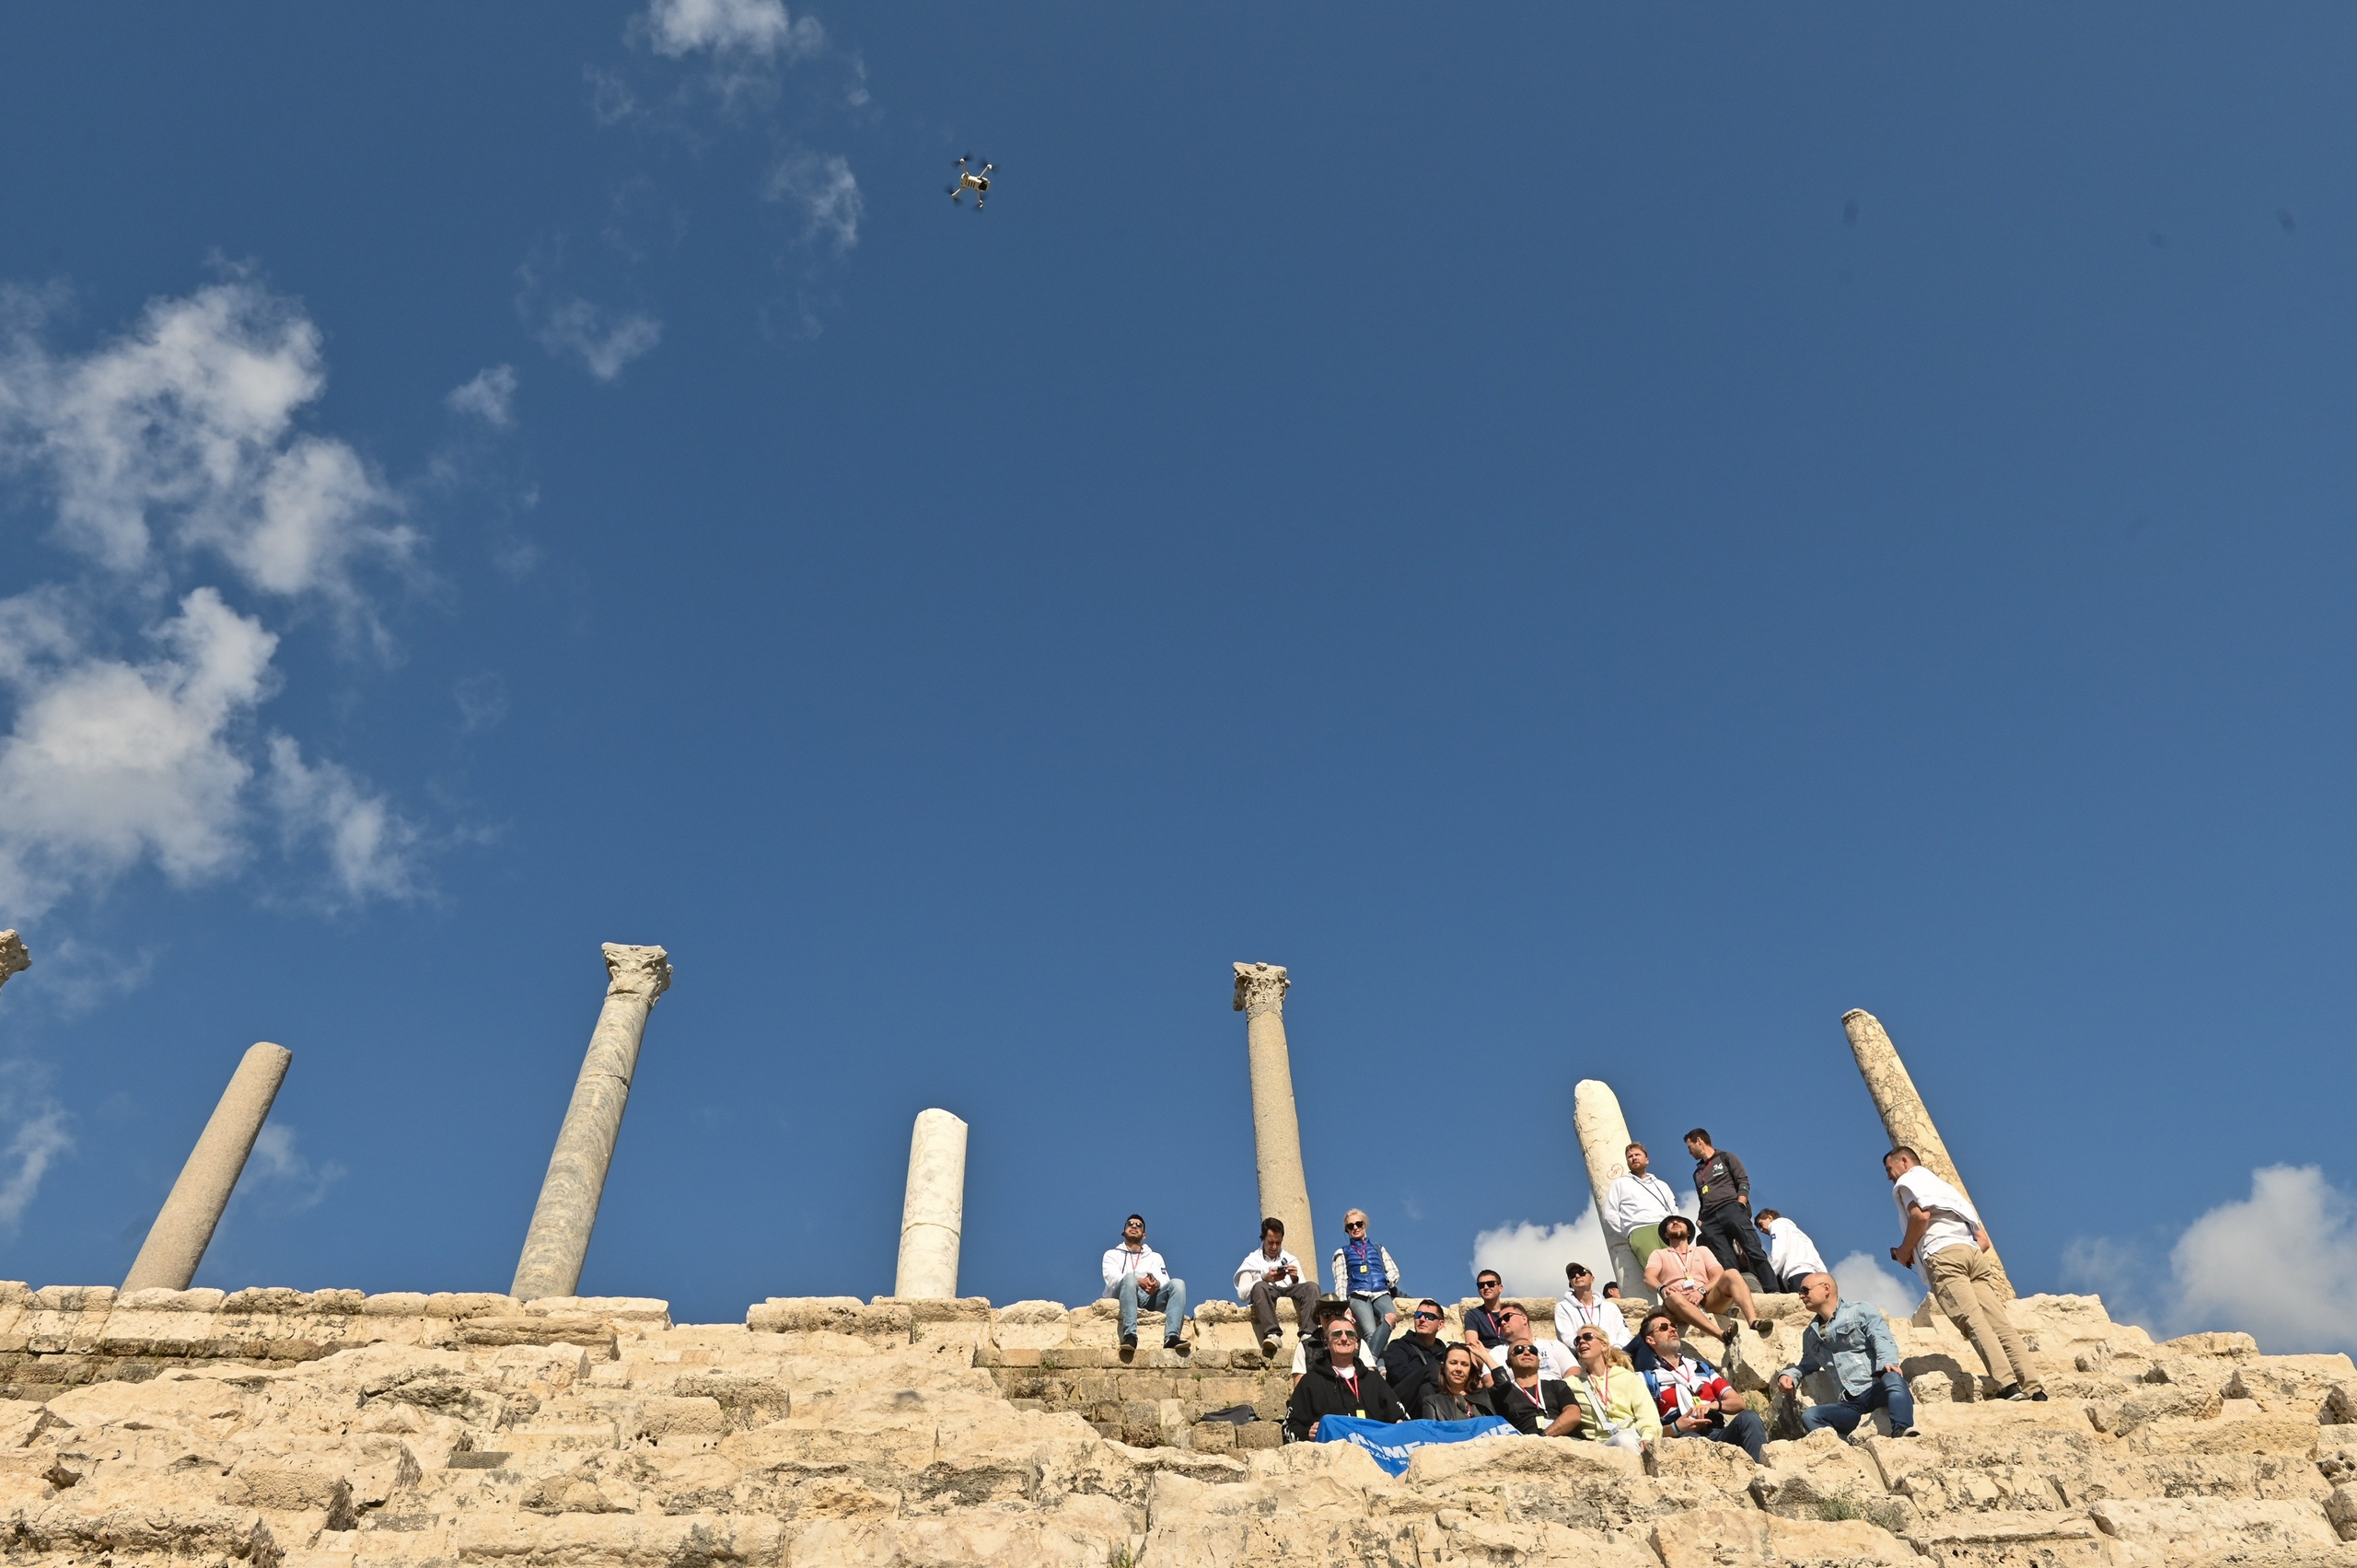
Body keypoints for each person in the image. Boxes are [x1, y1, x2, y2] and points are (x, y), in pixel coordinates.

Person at [1886, 1147, 2044, 1401]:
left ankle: (2008, 1385)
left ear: (1904, 1161)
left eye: (1889, 1169)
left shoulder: (1908, 1181)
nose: (1889, 1177)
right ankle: (2035, 1388)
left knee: (1973, 1321)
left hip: (1944, 1256)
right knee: (2000, 1323)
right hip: (1973, 1256)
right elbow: (1983, 1240)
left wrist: (1905, 1251)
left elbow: (1920, 1215)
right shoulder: (1949, 1189)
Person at [1775, 1271, 1919, 1437]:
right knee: (1810, 1416)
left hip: (1875, 1388)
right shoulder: (1810, 1334)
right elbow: (1807, 1365)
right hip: (1850, 1405)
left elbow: (1881, 1339)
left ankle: (1902, 1430)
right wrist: (1790, 1375)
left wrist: (1887, 1365)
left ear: (1826, 1289)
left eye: (1805, 1290)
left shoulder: (1859, 1311)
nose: (1801, 1296)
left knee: (1893, 1378)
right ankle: (1843, 1449)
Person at [1630, 1308, 1765, 1461]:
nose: (1673, 1329)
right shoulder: (1647, 1380)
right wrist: (1676, 1427)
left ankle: (1762, 1474)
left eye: (1673, 1325)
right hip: (1680, 1443)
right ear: (1650, 1340)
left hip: (1715, 1432)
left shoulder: (1700, 1368)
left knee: (1749, 1418)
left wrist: (1713, 1405)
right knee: (1691, 1439)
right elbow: (1649, 1430)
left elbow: (1739, 1403)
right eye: (1664, 1327)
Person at [1283, 1312, 1407, 1441]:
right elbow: (1288, 1428)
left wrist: (1399, 1425)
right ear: (1326, 1342)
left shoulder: (1374, 1380)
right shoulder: (1310, 1381)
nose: (1344, 1338)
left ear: (1357, 1343)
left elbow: (1403, 1419)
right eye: (1337, 1334)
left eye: (1350, 1334)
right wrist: (1307, 1433)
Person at [1644, 1214, 1771, 1338]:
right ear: (1666, 1234)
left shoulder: (1702, 1250)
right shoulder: (1659, 1254)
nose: (1675, 1223)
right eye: (1670, 1223)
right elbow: (1649, 1277)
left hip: (1706, 1299)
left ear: (1688, 1232)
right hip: (1678, 1304)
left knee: (1732, 1273)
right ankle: (1720, 1334)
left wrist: (1701, 1291)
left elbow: (1718, 1273)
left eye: (1680, 1221)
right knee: (1674, 1296)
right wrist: (1662, 1288)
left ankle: (1753, 1322)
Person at [1685, 1129, 1774, 1287]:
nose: (1689, 1152)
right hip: (1711, 1220)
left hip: (1731, 1209)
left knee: (1753, 1250)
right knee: (1726, 1262)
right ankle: (1738, 1295)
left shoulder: (1726, 1158)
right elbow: (1702, 1199)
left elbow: (1743, 1181)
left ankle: (1773, 1290)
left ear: (1699, 1141)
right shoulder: (1697, 1173)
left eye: (1689, 1146)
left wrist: (1740, 1203)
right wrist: (1701, 1221)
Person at [1560, 1325, 1662, 1450]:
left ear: (1604, 1345)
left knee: (1625, 1440)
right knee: (1623, 1440)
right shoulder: (1572, 1384)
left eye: (1588, 1337)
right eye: (1577, 1340)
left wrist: (1648, 1436)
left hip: (1633, 1437)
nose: (1581, 1341)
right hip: (1599, 1445)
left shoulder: (1626, 1377)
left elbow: (1647, 1413)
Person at [1100, 1213, 1190, 1352]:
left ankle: (1171, 1338)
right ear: (1124, 1231)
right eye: (1130, 1224)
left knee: (1178, 1283)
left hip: (1149, 1298)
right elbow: (1112, 1279)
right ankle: (1130, 1336)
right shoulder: (1112, 1254)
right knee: (1129, 1279)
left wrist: (1156, 1284)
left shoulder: (1155, 1257)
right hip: (1123, 1296)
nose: (1134, 1226)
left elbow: (1164, 1279)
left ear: (1144, 1235)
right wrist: (1138, 1281)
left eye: (1139, 1225)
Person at [1235, 1216, 1318, 1357]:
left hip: (1289, 1290)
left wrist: (1294, 1278)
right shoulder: (1251, 1261)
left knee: (1312, 1287)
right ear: (1263, 1239)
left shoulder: (1291, 1259)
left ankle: (1308, 1334)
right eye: (1270, 1242)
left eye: (1278, 1243)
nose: (1274, 1247)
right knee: (1260, 1286)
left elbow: (1303, 1287)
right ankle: (1273, 1334)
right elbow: (1242, 1294)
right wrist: (1264, 1278)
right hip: (1267, 1291)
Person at [1330, 1209, 1404, 1358]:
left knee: (1390, 1317)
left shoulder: (1378, 1248)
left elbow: (1394, 1272)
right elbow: (1341, 1281)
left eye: (1358, 1224)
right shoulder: (1341, 1252)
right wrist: (1345, 1306)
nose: (1355, 1228)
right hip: (1358, 1294)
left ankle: (1368, 1364)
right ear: (1347, 1230)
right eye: (1350, 1226)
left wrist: (1386, 1280)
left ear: (1365, 1225)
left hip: (1381, 1291)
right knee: (1370, 1332)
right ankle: (1380, 1369)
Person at [1382, 1298, 1473, 1413]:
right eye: (1418, 1315)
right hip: (1403, 1404)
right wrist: (1430, 1372)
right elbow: (1400, 1375)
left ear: (1440, 1325)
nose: (1422, 1319)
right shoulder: (1398, 1346)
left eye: (1429, 1317)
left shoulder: (1444, 1353)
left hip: (1436, 1401)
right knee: (1431, 1374)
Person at [1606, 1142, 1681, 1271]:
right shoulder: (1620, 1184)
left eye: (1637, 1154)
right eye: (1630, 1156)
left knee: (1680, 1268)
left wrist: (1674, 1227)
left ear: (1646, 1160)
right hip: (1640, 1230)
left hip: (1666, 1229)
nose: (1634, 1158)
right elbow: (1610, 1213)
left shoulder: (1661, 1184)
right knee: (1657, 1272)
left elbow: (1673, 1209)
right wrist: (1629, 1232)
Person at [1490, 1333, 1579, 1435]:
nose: (1527, 1352)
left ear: (1539, 1360)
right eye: (1519, 1350)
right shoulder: (1504, 1395)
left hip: (1562, 1442)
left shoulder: (1557, 1385)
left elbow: (1573, 1414)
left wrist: (1544, 1436)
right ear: (1508, 1363)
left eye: (1532, 1350)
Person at [1477, 1302, 1575, 1377]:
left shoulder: (1553, 1345)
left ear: (1524, 1319)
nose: (1502, 1322)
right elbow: (1489, 1379)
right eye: (1499, 1321)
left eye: (1507, 1317)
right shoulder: (1497, 1353)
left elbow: (1573, 1369)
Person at [1290, 1298, 1377, 1382]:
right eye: (1326, 1314)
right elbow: (1300, 1387)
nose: (1333, 1317)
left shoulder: (1360, 1344)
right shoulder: (1305, 1347)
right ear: (1318, 1318)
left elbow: (1371, 1381)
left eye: (1338, 1313)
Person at [1751, 1208, 1827, 1294]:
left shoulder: (1776, 1225)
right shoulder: (1802, 1235)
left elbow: (1779, 1254)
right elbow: (1817, 1259)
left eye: (1761, 1224)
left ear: (1770, 1217)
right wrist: (1826, 1280)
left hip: (1796, 1275)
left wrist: (1768, 1278)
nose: (1761, 1230)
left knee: (1799, 1305)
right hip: (1814, 1276)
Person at [1555, 1261, 1629, 1348]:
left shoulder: (1610, 1307)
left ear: (1592, 1279)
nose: (1577, 1276)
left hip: (1614, 1356)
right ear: (1570, 1282)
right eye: (1572, 1275)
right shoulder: (1563, 1307)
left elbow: (1624, 1333)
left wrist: (1616, 1349)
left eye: (1582, 1272)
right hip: (1583, 1357)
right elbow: (1567, 1339)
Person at [1420, 1343, 1497, 1423]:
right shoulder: (1433, 1402)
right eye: (1453, 1363)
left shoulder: (1484, 1395)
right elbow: (1432, 1433)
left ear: (1470, 1370)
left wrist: (1485, 1356)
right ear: (1443, 1367)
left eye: (1464, 1364)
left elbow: (1504, 1385)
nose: (1459, 1369)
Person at [1463, 1270, 1511, 1355]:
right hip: (1485, 1360)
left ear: (1500, 1288)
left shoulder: (1511, 1312)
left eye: (1491, 1284)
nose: (1486, 1287)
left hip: (1512, 1358)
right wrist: (1498, 1355)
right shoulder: (1473, 1315)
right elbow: (1473, 1346)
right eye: (1481, 1285)